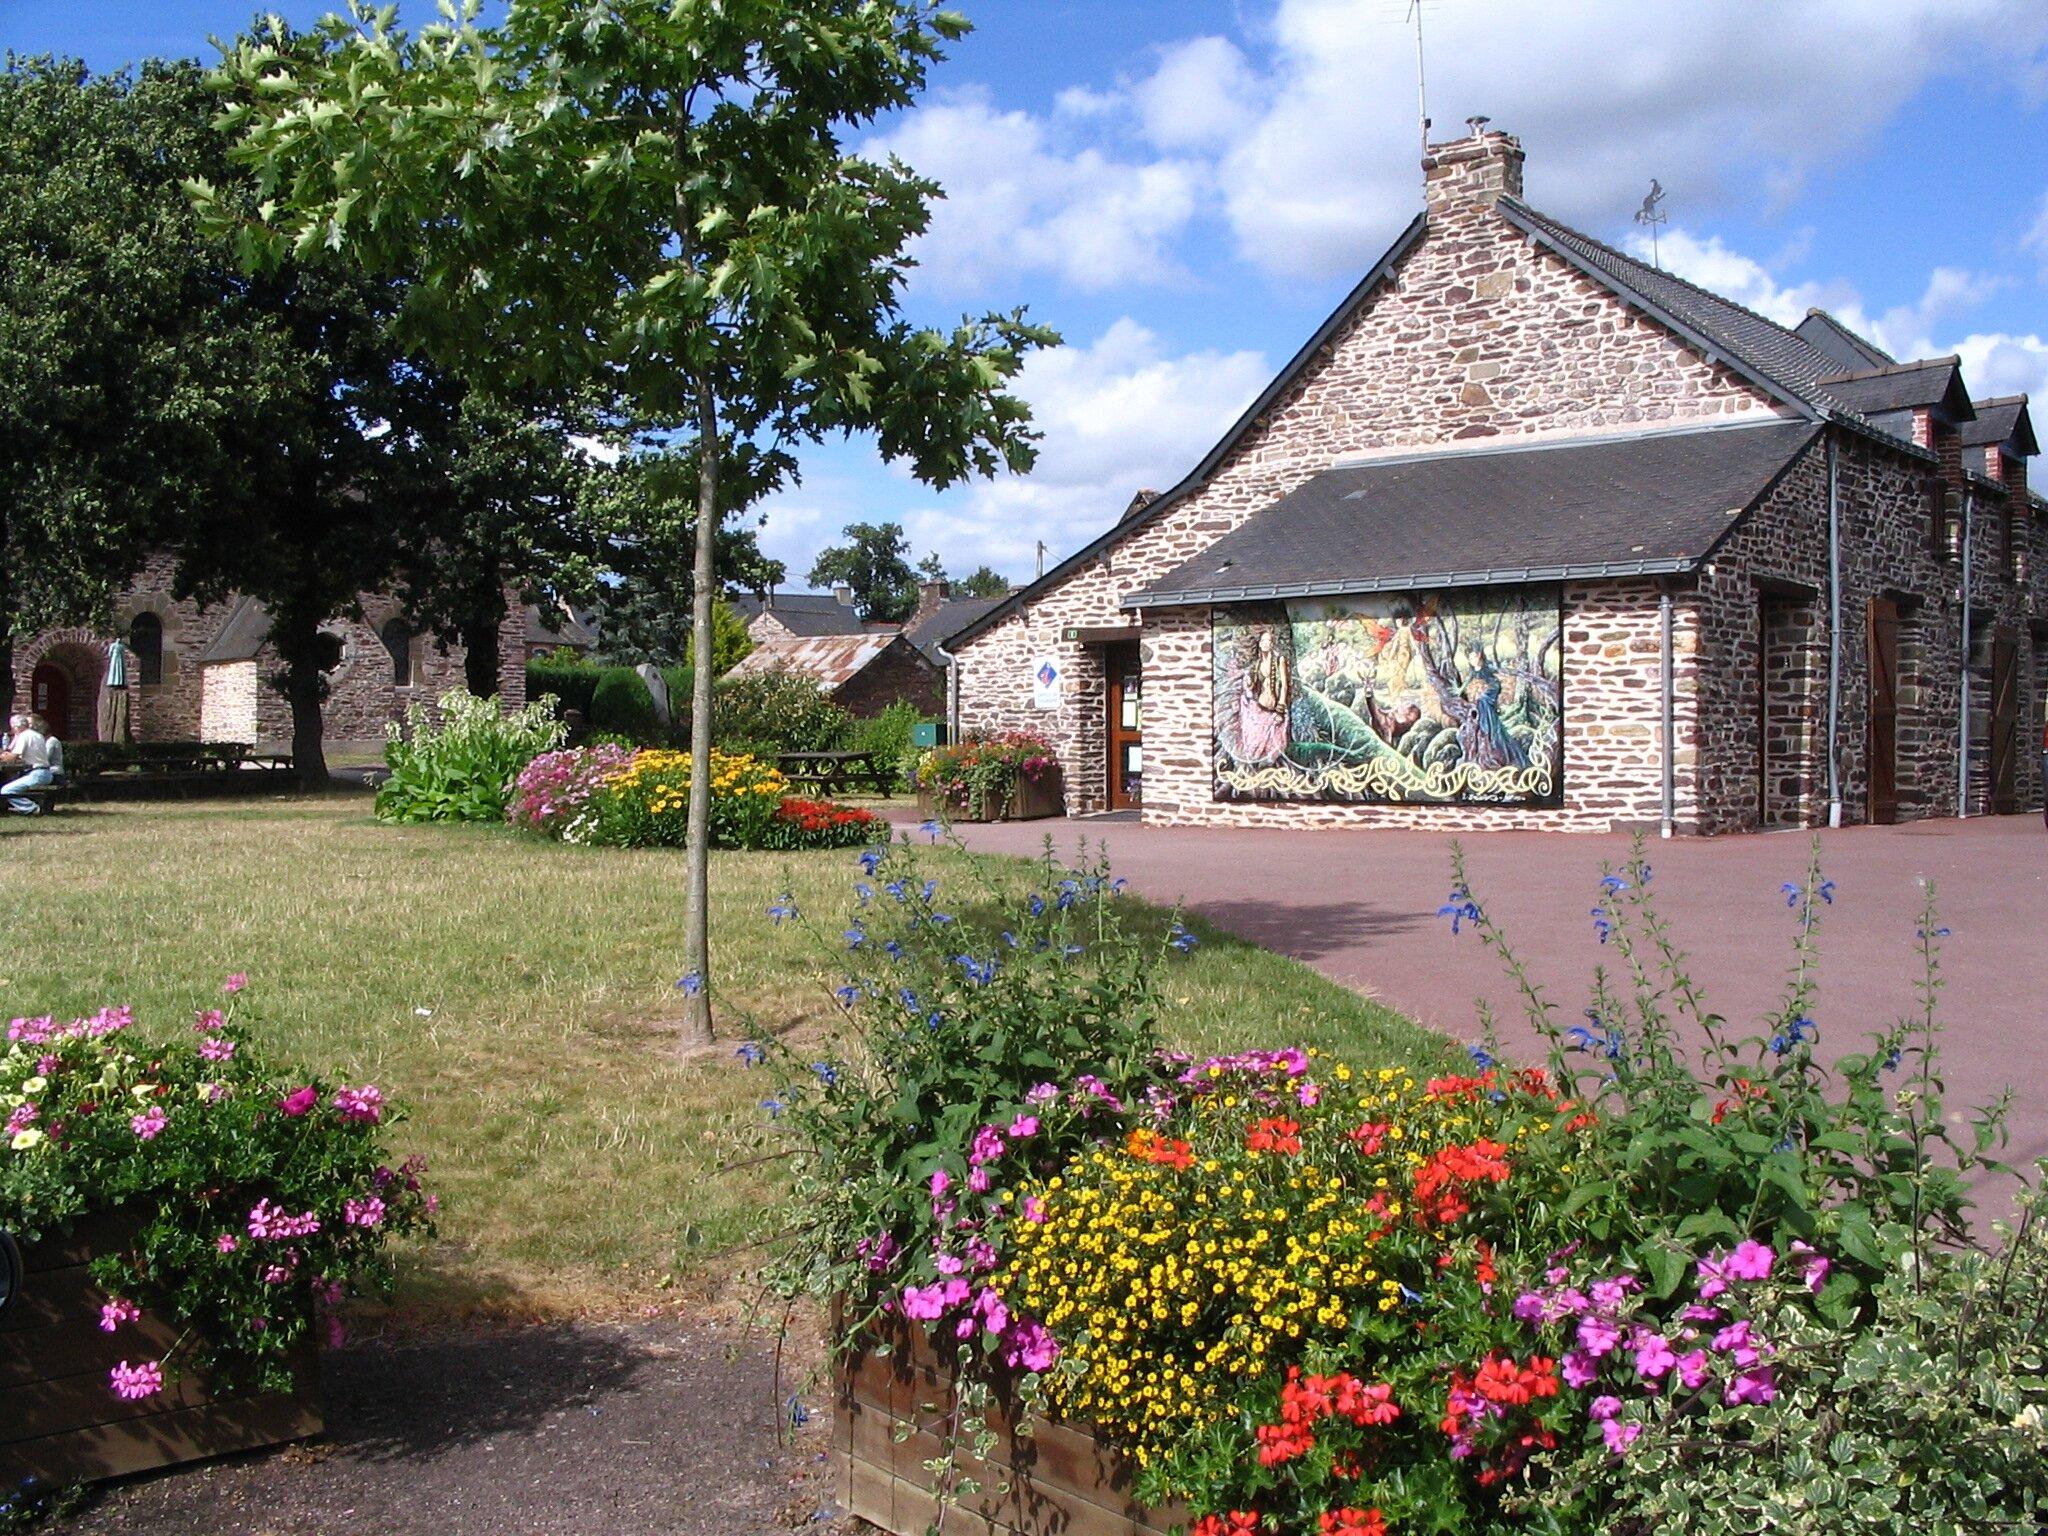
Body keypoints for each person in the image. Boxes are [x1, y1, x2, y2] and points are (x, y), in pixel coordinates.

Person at [2, 712, 60, 815]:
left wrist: (2, 755)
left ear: (16, 727)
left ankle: (33, 809)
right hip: (45, 772)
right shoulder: (37, 735)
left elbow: (13, 757)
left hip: (37, 774)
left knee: (6, 790)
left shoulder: (24, 736)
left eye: (12, 728)